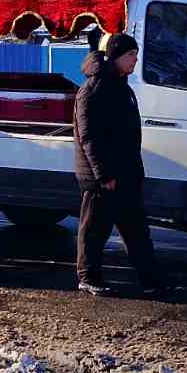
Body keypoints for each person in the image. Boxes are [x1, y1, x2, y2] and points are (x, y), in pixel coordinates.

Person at [73, 33, 165, 297]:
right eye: (131, 55)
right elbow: (89, 137)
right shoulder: (94, 89)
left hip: (125, 173)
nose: (136, 59)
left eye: (136, 54)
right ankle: (88, 277)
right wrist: (103, 175)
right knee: (94, 231)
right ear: (116, 56)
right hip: (103, 177)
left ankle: (151, 279)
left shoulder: (122, 86)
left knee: (136, 230)